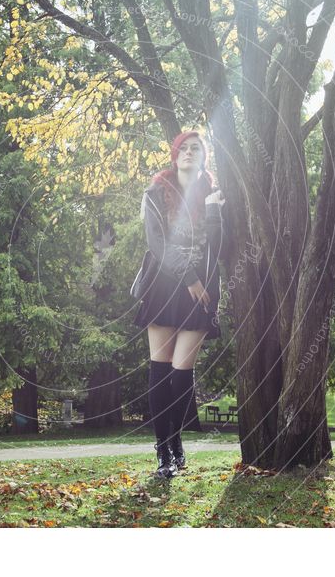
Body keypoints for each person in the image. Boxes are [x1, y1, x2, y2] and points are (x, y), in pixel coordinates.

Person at [133, 130, 226, 479]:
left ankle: (176, 441)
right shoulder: (156, 192)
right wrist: (188, 277)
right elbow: (157, 242)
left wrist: (215, 213)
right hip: (164, 285)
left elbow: (219, 248)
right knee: (160, 371)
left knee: (182, 372)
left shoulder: (212, 195)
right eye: (183, 148)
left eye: (196, 149)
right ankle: (165, 452)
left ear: (204, 158)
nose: (189, 153)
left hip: (201, 293)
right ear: (175, 156)